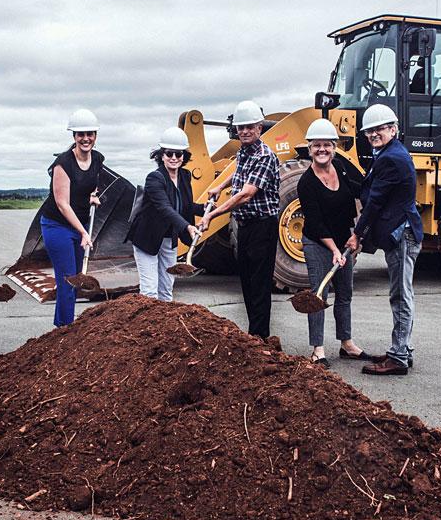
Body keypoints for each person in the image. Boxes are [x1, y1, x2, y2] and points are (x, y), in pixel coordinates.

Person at [345, 104, 423, 376]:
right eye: (369, 131)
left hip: (401, 234)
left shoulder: (391, 158)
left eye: (379, 129)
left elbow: (375, 202)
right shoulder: (389, 153)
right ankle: (403, 349)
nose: (373, 134)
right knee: (403, 293)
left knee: (400, 295)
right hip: (402, 232)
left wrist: (357, 234)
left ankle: (399, 357)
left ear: (393, 128)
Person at [201, 100, 280, 340]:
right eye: (241, 128)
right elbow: (239, 172)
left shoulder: (266, 156)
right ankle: (253, 333)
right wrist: (218, 186)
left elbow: (246, 194)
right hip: (245, 227)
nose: (244, 131)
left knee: (259, 283)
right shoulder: (244, 151)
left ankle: (260, 336)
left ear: (259, 128)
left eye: (249, 127)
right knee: (246, 280)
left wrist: (213, 214)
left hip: (262, 226)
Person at [296, 118, 372, 367]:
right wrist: (334, 251)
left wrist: (356, 234)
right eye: (316, 145)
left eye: (327, 145)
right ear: (309, 149)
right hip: (318, 243)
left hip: (344, 240)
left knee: (345, 293)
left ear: (334, 147)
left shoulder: (339, 167)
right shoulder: (306, 183)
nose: (322, 150)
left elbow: (356, 192)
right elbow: (316, 224)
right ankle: (317, 349)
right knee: (319, 294)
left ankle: (346, 343)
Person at [37, 109, 104, 327]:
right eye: (80, 134)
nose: (85, 138)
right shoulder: (63, 163)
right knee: (67, 280)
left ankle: (64, 326)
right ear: (74, 136)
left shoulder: (98, 159)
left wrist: (91, 197)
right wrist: (84, 232)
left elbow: (89, 185)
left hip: (79, 225)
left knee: (75, 280)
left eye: (90, 134)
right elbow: (62, 204)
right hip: (57, 226)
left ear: (95, 135)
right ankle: (65, 329)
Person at [125, 127, 203, 300]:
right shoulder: (154, 178)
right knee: (150, 291)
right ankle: (146, 326)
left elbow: (185, 204)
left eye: (178, 153)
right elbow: (165, 207)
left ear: (184, 155)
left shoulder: (184, 175)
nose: (174, 158)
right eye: (169, 153)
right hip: (147, 237)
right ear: (161, 155)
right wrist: (187, 226)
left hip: (169, 237)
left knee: (167, 290)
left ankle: (163, 327)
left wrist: (208, 211)